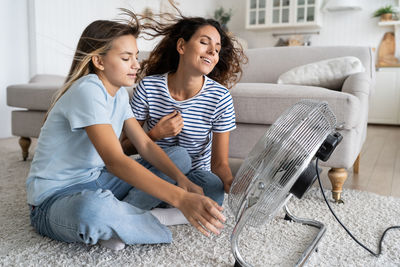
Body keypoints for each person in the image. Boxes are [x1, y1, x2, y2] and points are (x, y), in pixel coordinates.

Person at [26, 10, 226, 252]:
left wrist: (183, 182)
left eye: (135, 57)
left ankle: (122, 220)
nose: (136, 64)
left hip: (97, 180)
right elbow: (115, 161)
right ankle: (147, 219)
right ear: (99, 61)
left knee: (179, 156)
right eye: (126, 58)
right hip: (53, 200)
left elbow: (145, 145)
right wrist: (181, 199)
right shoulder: (87, 90)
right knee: (93, 209)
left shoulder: (119, 93)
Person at [121, 13, 246, 210]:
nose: (213, 51)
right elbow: (124, 147)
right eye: (205, 42)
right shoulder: (149, 88)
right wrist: (154, 135)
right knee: (178, 156)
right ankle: (129, 212)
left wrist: (232, 184)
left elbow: (219, 164)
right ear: (181, 46)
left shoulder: (220, 98)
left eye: (217, 48)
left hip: (194, 179)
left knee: (214, 188)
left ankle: (155, 207)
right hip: (157, 172)